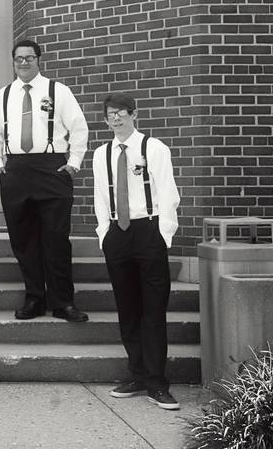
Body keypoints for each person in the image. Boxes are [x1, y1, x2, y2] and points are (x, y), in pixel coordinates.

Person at [0, 39, 90, 322]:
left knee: (56, 239)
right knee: (24, 240)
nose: (24, 63)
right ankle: (35, 299)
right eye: (19, 58)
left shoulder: (59, 91)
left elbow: (79, 129)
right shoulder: (2, 96)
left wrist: (73, 164)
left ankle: (63, 302)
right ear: (13, 61)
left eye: (29, 58)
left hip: (52, 169)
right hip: (15, 170)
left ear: (39, 59)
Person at [93, 93, 181, 410]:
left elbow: (168, 193)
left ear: (134, 115)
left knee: (153, 309)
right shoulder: (102, 153)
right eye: (110, 114)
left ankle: (157, 382)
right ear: (105, 119)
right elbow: (100, 197)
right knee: (127, 308)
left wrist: (163, 235)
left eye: (121, 113)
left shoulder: (154, 148)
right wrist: (105, 232)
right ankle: (138, 374)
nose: (116, 119)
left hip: (148, 231)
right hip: (118, 233)